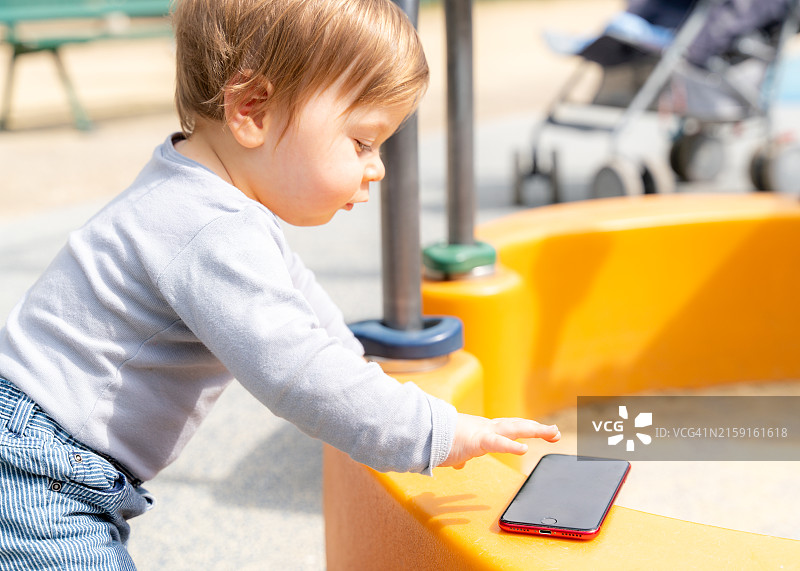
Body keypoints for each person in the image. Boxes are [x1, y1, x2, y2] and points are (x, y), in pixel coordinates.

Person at [0, 0, 560, 568]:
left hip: (46, 457)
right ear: (252, 109)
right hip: (40, 472)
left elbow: (309, 316)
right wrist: (435, 432)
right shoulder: (209, 228)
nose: (378, 167)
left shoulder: (203, 192)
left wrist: (375, 386)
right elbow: (297, 372)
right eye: (363, 142)